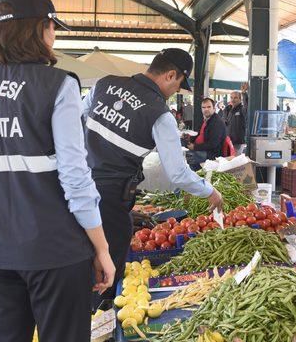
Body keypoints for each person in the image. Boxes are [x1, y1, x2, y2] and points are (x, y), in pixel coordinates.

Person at [0, 0, 115, 342]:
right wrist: (101, 247)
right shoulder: (59, 85)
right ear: (40, 30)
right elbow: (76, 178)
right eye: (52, 27)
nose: (54, 36)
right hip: (55, 255)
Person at [83, 48, 223, 305]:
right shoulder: (159, 113)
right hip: (110, 198)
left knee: (81, 260)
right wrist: (210, 191)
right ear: (171, 75)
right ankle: (96, 324)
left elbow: (74, 123)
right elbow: (178, 172)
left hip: (77, 188)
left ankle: (81, 317)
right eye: (179, 85)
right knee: (106, 272)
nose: (175, 93)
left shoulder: (104, 84)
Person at [186, 97, 227, 170]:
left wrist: (195, 147)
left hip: (212, 153)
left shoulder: (217, 123)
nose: (206, 109)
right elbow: (199, 134)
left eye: (209, 107)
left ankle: (196, 175)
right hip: (203, 149)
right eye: (203, 107)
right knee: (182, 149)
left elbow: (213, 144)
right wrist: (189, 138)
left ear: (214, 109)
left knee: (190, 155)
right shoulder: (206, 120)